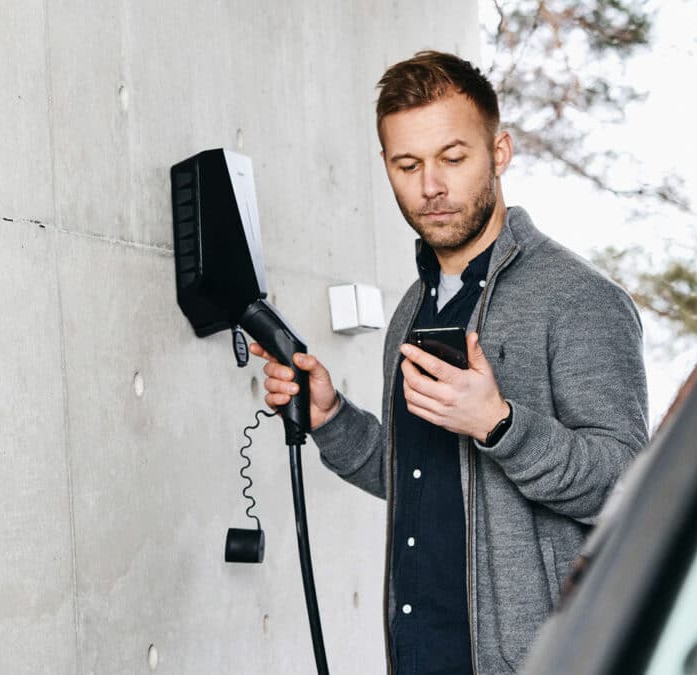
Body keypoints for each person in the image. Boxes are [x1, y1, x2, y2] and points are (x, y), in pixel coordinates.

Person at [250, 50, 649, 674]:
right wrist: (330, 418)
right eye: (407, 164)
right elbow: (414, 480)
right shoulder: (412, 310)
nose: (430, 186)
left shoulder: (579, 300)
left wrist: (501, 426)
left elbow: (628, 489)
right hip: (418, 657)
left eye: (453, 158)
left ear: (500, 152)